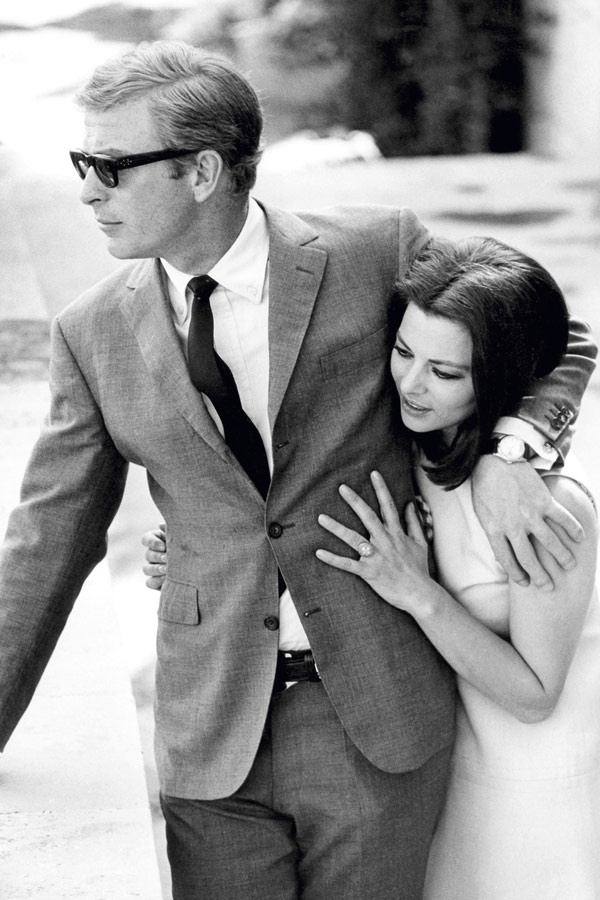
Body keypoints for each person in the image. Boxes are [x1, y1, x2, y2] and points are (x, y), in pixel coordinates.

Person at [0, 40, 595, 900]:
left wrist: (513, 451)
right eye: (81, 163)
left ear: (201, 171)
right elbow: (45, 540)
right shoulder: (89, 334)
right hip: (212, 731)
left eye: (110, 165)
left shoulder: (372, 251)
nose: (88, 187)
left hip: (373, 716)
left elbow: (554, 335)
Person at [312, 236, 600, 898]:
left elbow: (534, 694)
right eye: (405, 353)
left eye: (446, 373)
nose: (410, 385)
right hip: (447, 774)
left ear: (500, 376)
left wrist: (420, 593)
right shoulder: (419, 444)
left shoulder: (543, 506)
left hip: (533, 794)